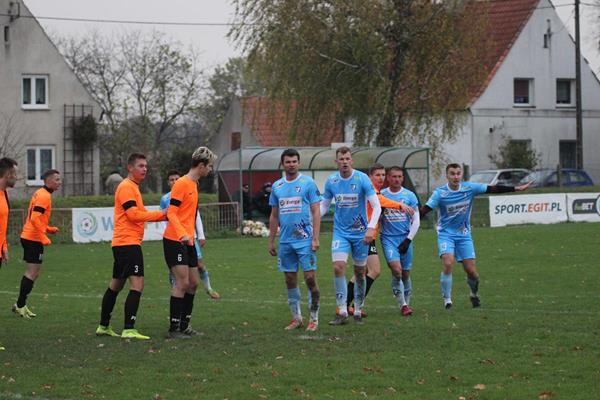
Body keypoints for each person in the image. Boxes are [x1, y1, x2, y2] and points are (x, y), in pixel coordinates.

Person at [420, 163, 533, 309]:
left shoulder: (469, 188)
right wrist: (410, 218)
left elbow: (493, 189)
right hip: (446, 234)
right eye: (452, 174)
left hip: (464, 235)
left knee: (472, 272)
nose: (456, 176)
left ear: (461, 175)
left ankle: (473, 294)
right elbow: (425, 210)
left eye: (458, 173)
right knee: (448, 263)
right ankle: (447, 300)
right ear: (447, 176)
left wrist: (516, 188)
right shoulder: (440, 193)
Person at [96, 154, 166, 340]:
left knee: (116, 285)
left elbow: (139, 213)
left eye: (146, 166)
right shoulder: (126, 187)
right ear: (130, 168)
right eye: (140, 166)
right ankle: (129, 328)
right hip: (128, 243)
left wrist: (160, 215)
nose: (145, 169)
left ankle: (103, 326)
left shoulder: (132, 187)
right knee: (137, 284)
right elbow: (133, 215)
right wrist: (162, 214)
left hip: (123, 243)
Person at [320, 146, 381, 325]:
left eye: (347, 159)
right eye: (341, 159)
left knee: (360, 272)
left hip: (361, 233)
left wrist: (370, 228)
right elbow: (324, 205)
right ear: (336, 161)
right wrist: (311, 219)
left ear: (351, 161)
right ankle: (342, 310)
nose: (345, 162)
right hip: (341, 233)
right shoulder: (332, 181)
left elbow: (376, 206)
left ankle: (358, 309)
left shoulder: (362, 179)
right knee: (338, 267)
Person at [343, 163, 414, 317]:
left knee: (363, 271)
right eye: (377, 175)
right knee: (373, 270)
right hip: (364, 236)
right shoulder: (371, 191)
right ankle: (349, 305)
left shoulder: (373, 190)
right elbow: (381, 201)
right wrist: (400, 205)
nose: (381, 178)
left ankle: (347, 305)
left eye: (382, 175)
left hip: (368, 236)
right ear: (370, 177)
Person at [163, 146, 216, 339]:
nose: (210, 169)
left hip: (189, 241)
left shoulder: (195, 184)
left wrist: (194, 235)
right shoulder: (182, 184)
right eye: (209, 166)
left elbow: (191, 214)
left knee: (193, 283)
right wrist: (182, 234)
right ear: (201, 165)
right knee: (183, 283)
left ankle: (185, 326)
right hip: (174, 240)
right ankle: (173, 329)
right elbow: (171, 212)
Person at [268, 148, 322, 332]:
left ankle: (314, 318)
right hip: (285, 241)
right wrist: (271, 240)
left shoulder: (308, 183)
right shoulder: (277, 186)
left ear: (299, 163)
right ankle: (296, 318)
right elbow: (274, 215)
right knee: (290, 279)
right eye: (288, 162)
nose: (291, 165)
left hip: (305, 240)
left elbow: (316, 211)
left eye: (294, 161)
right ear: (283, 164)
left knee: (310, 278)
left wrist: (316, 238)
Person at [160, 169, 220, 300]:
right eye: (171, 180)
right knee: (178, 271)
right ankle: (176, 288)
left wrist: (201, 235)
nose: (174, 181)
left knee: (200, 265)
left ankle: (208, 288)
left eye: (177, 179)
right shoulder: (165, 199)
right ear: (168, 183)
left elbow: (195, 215)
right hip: (175, 239)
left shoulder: (188, 190)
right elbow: (165, 218)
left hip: (190, 238)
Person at [12, 169, 61, 319]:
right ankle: (20, 305)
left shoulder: (41, 193)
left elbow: (37, 218)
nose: (59, 183)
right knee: (32, 272)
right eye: (57, 180)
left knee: (34, 272)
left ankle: (20, 304)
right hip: (32, 238)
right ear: (48, 181)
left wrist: (48, 229)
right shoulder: (44, 196)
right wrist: (42, 236)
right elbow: (34, 218)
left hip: (30, 236)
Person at [379, 166, 420, 316]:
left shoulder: (409, 195)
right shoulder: (381, 195)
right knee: (397, 270)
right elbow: (375, 215)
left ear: (403, 178)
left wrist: (408, 240)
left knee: (406, 274)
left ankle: (406, 303)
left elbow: (416, 220)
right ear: (388, 178)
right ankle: (403, 305)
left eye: (400, 177)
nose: (397, 179)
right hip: (388, 239)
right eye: (394, 176)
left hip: (405, 238)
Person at [0, 157, 18, 351]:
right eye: (15, 173)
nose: (17, 177)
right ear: (7, 174)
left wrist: (3, 246)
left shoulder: (4, 194)